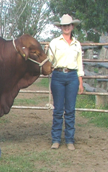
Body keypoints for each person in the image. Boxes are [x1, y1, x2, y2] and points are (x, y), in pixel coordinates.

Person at [48, 14, 85, 151]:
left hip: (72, 77)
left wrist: (80, 82)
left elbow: (79, 64)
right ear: (61, 27)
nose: (66, 28)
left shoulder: (77, 44)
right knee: (58, 110)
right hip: (57, 75)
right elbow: (49, 60)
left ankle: (70, 140)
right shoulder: (54, 42)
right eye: (64, 26)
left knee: (70, 110)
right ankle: (56, 139)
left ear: (72, 26)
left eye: (68, 25)